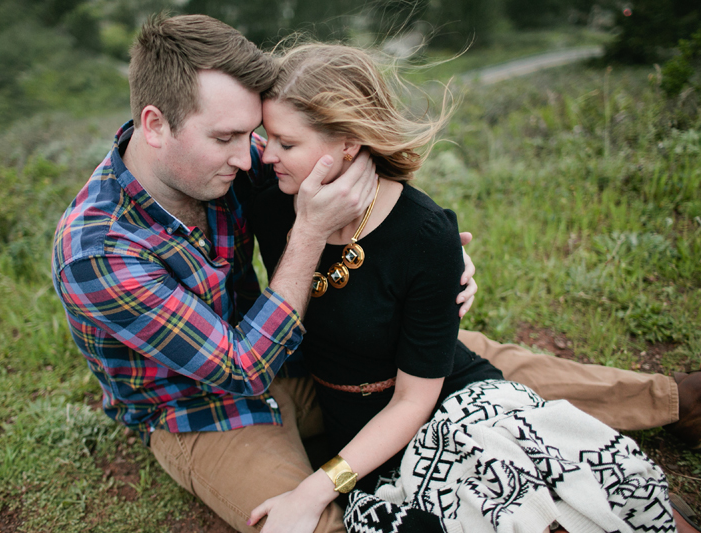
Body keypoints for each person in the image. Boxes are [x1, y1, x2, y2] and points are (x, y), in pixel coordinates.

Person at [51, 13, 698, 533]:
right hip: (203, 410)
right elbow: (241, 367)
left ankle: (675, 400)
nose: (251, 156)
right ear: (155, 125)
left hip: (295, 351)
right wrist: (306, 234)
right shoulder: (99, 251)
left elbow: (341, 160)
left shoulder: (222, 157)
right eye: (228, 138)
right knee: (301, 520)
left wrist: (432, 254)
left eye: (253, 134)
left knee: (462, 357)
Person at [246, 42, 678, 533]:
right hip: (352, 424)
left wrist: (316, 488)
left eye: (285, 142)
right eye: (267, 138)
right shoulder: (275, 200)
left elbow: (414, 400)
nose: (267, 156)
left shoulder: (425, 234)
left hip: (445, 401)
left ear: (348, 142)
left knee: (551, 497)